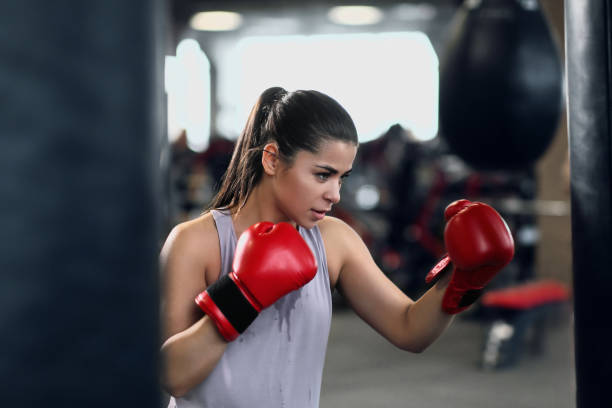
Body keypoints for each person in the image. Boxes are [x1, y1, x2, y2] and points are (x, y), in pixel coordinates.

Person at [159, 86, 515, 408]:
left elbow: (410, 329)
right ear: (271, 159)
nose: (335, 194)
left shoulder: (333, 240)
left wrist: (461, 280)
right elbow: (173, 376)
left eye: (341, 178)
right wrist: (241, 295)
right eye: (322, 175)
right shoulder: (196, 242)